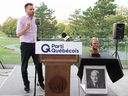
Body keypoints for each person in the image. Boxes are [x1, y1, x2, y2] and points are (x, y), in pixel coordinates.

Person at [16, 3, 44, 92]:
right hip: (25, 45)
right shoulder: (22, 19)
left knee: (39, 65)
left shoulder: (36, 20)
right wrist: (25, 28)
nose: (32, 11)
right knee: (24, 66)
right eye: (30, 9)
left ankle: (41, 82)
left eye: (33, 9)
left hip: (35, 45)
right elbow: (18, 34)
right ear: (26, 10)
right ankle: (26, 85)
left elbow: (36, 32)